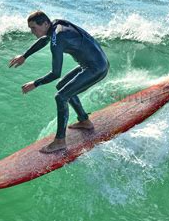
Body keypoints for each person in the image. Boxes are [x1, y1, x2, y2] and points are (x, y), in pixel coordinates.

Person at [9, 11, 109, 153]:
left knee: (61, 96)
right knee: (63, 86)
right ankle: (84, 121)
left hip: (95, 68)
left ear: (44, 23)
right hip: (94, 64)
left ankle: (60, 141)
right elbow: (45, 39)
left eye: (33, 28)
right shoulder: (57, 25)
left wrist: (35, 83)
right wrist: (25, 56)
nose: (32, 32)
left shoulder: (58, 38)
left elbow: (56, 73)